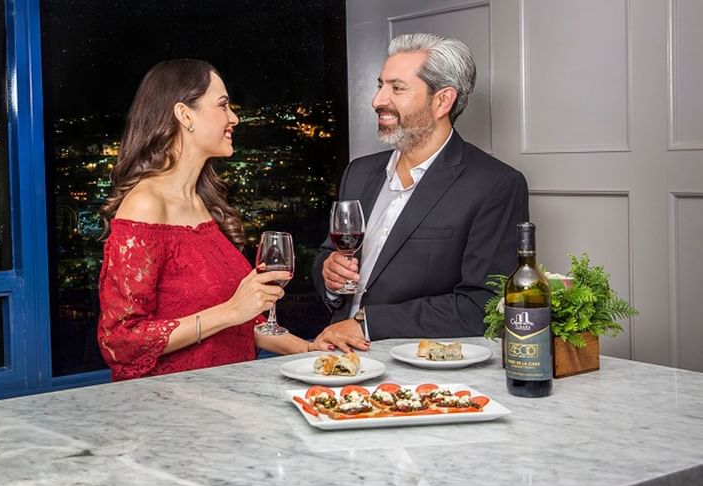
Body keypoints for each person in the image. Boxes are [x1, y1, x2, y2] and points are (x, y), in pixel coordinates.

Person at [98, 59, 319, 380]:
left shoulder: (201, 203)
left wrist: (312, 351)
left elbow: (241, 324)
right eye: (223, 105)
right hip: (171, 402)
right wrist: (231, 311)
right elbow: (120, 341)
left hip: (224, 394)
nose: (234, 118)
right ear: (185, 115)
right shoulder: (146, 204)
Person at [312, 33, 528, 352]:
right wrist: (328, 273)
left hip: (420, 368)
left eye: (397, 88)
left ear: (442, 101)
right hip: (337, 357)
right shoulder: (358, 173)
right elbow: (327, 254)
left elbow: (481, 306)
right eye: (380, 85)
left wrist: (367, 323)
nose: (377, 100)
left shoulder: (495, 184)